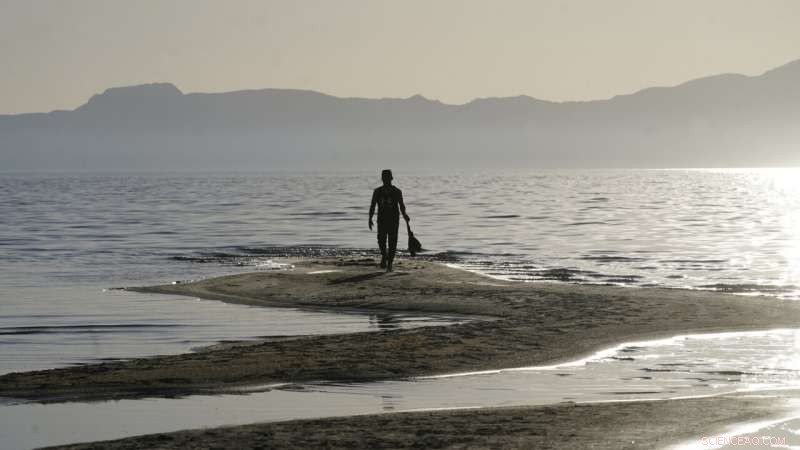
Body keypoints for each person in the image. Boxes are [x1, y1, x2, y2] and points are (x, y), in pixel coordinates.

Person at [368, 169, 409, 272]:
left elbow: (401, 206)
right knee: (381, 240)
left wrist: (405, 216)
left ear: (391, 178)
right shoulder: (377, 191)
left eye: (387, 177)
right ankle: (384, 256)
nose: (386, 179)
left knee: (392, 242)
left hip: (393, 220)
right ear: (382, 179)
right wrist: (370, 218)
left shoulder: (397, 191)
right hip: (381, 220)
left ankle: (389, 264)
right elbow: (372, 205)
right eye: (384, 177)